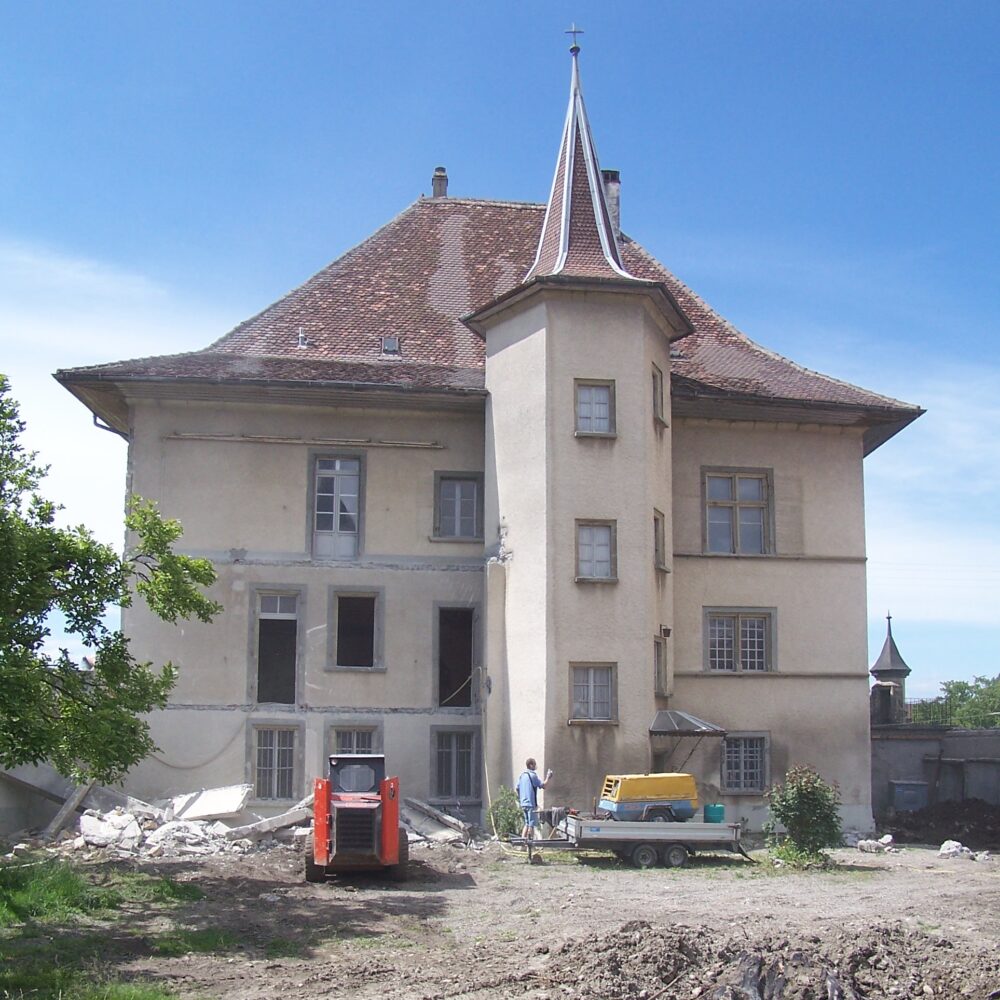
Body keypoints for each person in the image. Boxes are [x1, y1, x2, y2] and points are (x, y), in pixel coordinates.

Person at [517, 757, 553, 841]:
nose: (536, 766)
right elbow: (543, 786)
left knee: (526, 823)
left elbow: (517, 788)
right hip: (530, 804)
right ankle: (530, 845)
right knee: (531, 825)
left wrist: (521, 798)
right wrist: (548, 777)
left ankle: (522, 844)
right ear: (531, 765)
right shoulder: (532, 775)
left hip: (523, 803)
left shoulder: (522, 775)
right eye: (534, 764)